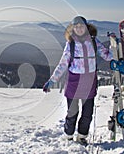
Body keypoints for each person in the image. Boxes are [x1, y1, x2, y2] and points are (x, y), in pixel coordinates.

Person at [43, 16, 113, 145]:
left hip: (89, 82)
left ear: (86, 27)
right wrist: (52, 80)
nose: (79, 29)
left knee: (87, 113)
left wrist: (115, 46)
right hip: (74, 82)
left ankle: (82, 136)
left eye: (81, 26)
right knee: (72, 112)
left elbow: (107, 56)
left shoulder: (93, 42)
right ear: (73, 29)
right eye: (76, 27)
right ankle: (69, 136)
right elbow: (63, 64)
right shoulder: (71, 44)